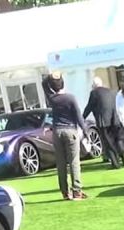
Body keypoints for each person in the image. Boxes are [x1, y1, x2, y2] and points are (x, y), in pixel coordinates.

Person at [42, 72, 89, 200]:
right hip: (70, 130)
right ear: (63, 84)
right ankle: (77, 191)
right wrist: (85, 131)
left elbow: (44, 84)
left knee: (61, 163)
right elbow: (79, 116)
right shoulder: (71, 98)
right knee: (74, 161)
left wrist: (51, 76)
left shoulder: (52, 99)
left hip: (57, 131)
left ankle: (64, 192)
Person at [82, 77, 120, 169]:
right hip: (114, 119)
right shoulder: (111, 91)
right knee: (117, 140)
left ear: (94, 85)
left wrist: (82, 118)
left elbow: (89, 107)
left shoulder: (94, 93)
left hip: (103, 121)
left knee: (107, 142)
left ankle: (115, 163)